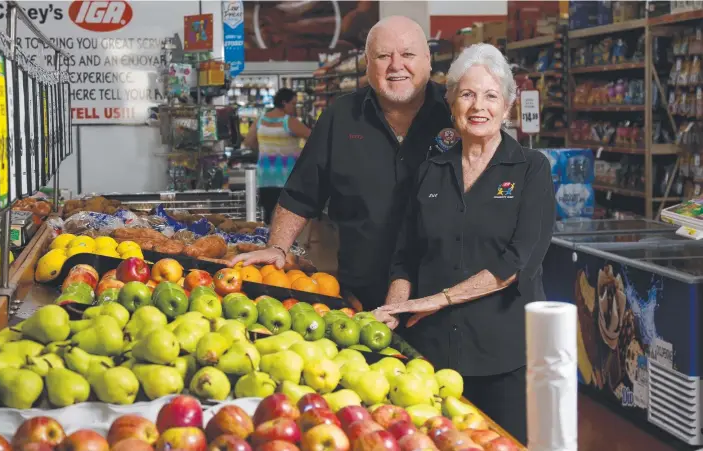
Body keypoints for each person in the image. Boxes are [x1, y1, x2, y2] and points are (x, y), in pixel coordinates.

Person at [374, 43, 556, 445]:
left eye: (491, 95)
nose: (479, 106)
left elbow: (518, 262)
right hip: (430, 357)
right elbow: (406, 257)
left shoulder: (532, 169)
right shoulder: (431, 171)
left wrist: (437, 299)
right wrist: (394, 310)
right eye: (468, 94)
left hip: (503, 359)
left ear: (507, 106)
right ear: (451, 101)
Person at [230, 16, 452, 311]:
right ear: (367, 62)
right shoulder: (342, 116)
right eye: (383, 56)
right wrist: (277, 247)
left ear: (428, 58)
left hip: (443, 294)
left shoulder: (455, 112)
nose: (396, 65)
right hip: (363, 295)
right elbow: (301, 193)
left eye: (408, 54)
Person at [243, 88, 312, 223]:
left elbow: (248, 142)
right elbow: (314, 137)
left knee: (269, 218)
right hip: (286, 177)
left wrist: (265, 150)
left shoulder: (260, 120)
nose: (294, 107)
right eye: (293, 104)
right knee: (287, 220)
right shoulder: (289, 121)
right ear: (284, 103)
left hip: (265, 177)